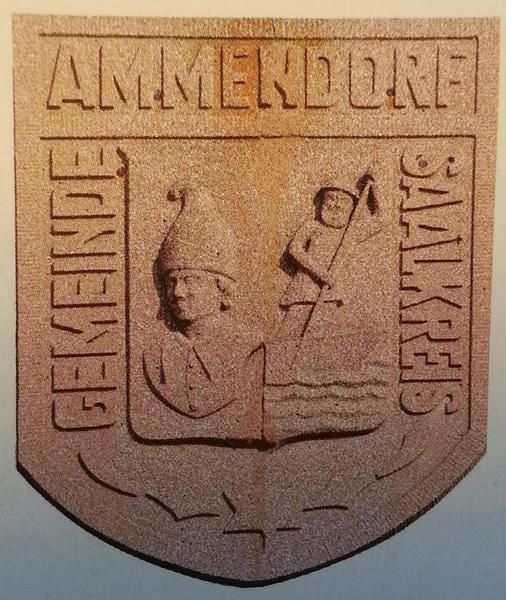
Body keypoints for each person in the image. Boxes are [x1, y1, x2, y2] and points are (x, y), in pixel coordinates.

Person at [142, 187, 263, 440]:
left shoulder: (248, 344)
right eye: (171, 282)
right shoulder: (155, 354)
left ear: (221, 287)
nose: (178, 292)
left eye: (190, 280)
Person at [275, 187, 357, 339]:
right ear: (322, 202)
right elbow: (294, 248)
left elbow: (378, 221)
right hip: (305, 288)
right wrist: (321, 273)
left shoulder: (349, 234)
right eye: (331, 198)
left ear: (351, 208)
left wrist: (373, 188)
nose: (336, 205)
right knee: (287, 334)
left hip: (331, 293)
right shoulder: (312, 226)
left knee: (325, 339)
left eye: (343, 201)